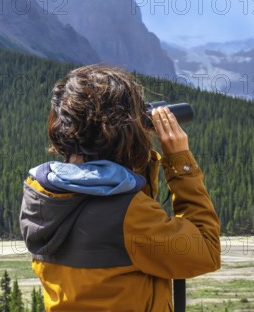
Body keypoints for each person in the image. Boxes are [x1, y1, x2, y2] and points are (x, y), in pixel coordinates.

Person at [19, 65, 221, 311]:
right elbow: (206, 251)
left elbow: (120, 234)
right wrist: (179, 161)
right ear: (121, 129)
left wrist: (130, 153)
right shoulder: (128, 214)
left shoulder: (38, 193)